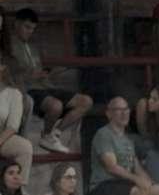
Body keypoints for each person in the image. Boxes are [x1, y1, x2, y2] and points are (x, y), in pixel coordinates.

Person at [4, 9, 93, 153]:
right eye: (27, 27)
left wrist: (50, 74)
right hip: (27, 90)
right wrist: (31, 75)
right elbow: (10, 75)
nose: (30, 32)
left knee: (86, 101)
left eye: (33, 29)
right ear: (16, 24)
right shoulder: (8, 47)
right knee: (55, 106)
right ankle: (46, 135)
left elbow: (39, 73)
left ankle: (54, 134)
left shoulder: (33, 48)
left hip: (45, 87)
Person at [0, 60, 33, 184]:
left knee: (24, 147)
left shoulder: (13, 93)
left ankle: (18, 188)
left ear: (3, 68)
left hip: (2, 136)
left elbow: (13, 126)